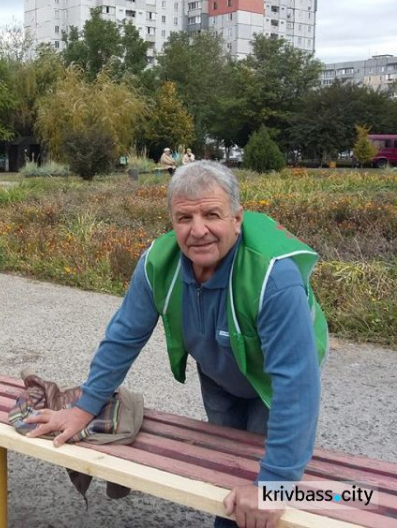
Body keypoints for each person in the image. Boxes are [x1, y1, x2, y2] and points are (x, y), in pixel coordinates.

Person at [26, 161, 328, 528]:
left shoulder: (273, 278)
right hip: (218, 368)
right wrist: (84, 408)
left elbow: (295, 385)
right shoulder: (158, 263)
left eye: (212, 214)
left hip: (272, 381)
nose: (198, 230)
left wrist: (274, 485)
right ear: (171, 221)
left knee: (264, 485)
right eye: (184, 218)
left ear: (237, 218)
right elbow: (123, 337)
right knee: (227, 468)